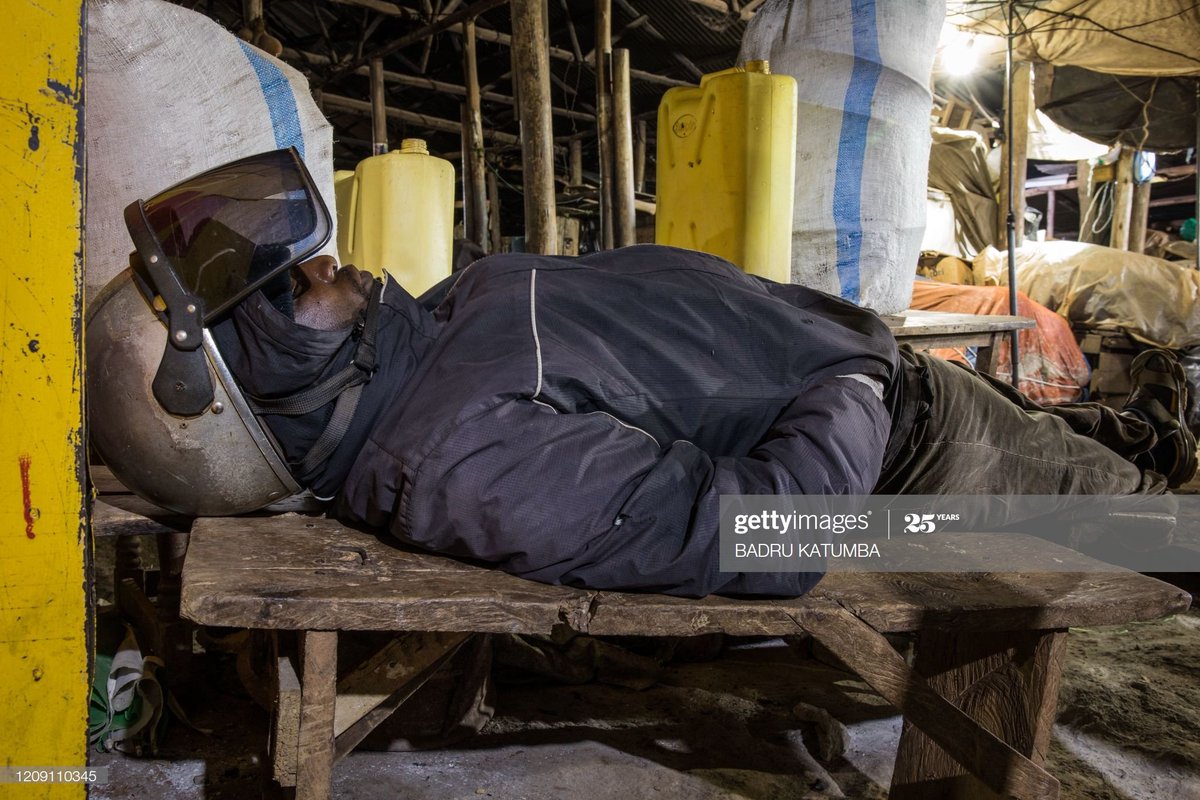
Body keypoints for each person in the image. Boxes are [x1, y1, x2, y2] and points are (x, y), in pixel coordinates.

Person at [90, 150, 1197, 599]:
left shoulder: (410, 347)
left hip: (876, 378)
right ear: (244, 402)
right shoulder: (461, 458)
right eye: (282, 293)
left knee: (1117, 452)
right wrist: (859, 384)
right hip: (905, 446)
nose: (319, 264)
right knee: (1161, 529)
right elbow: (777, 537)